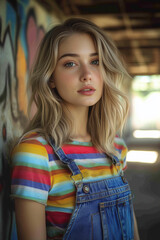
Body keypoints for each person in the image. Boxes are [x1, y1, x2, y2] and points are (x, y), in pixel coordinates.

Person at [11, 18, 140, 240]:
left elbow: (129, 227)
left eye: (96, 61)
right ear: (50, 78)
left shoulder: (115, 145)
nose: (87, 74)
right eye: (70, 63)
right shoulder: (35, 153)